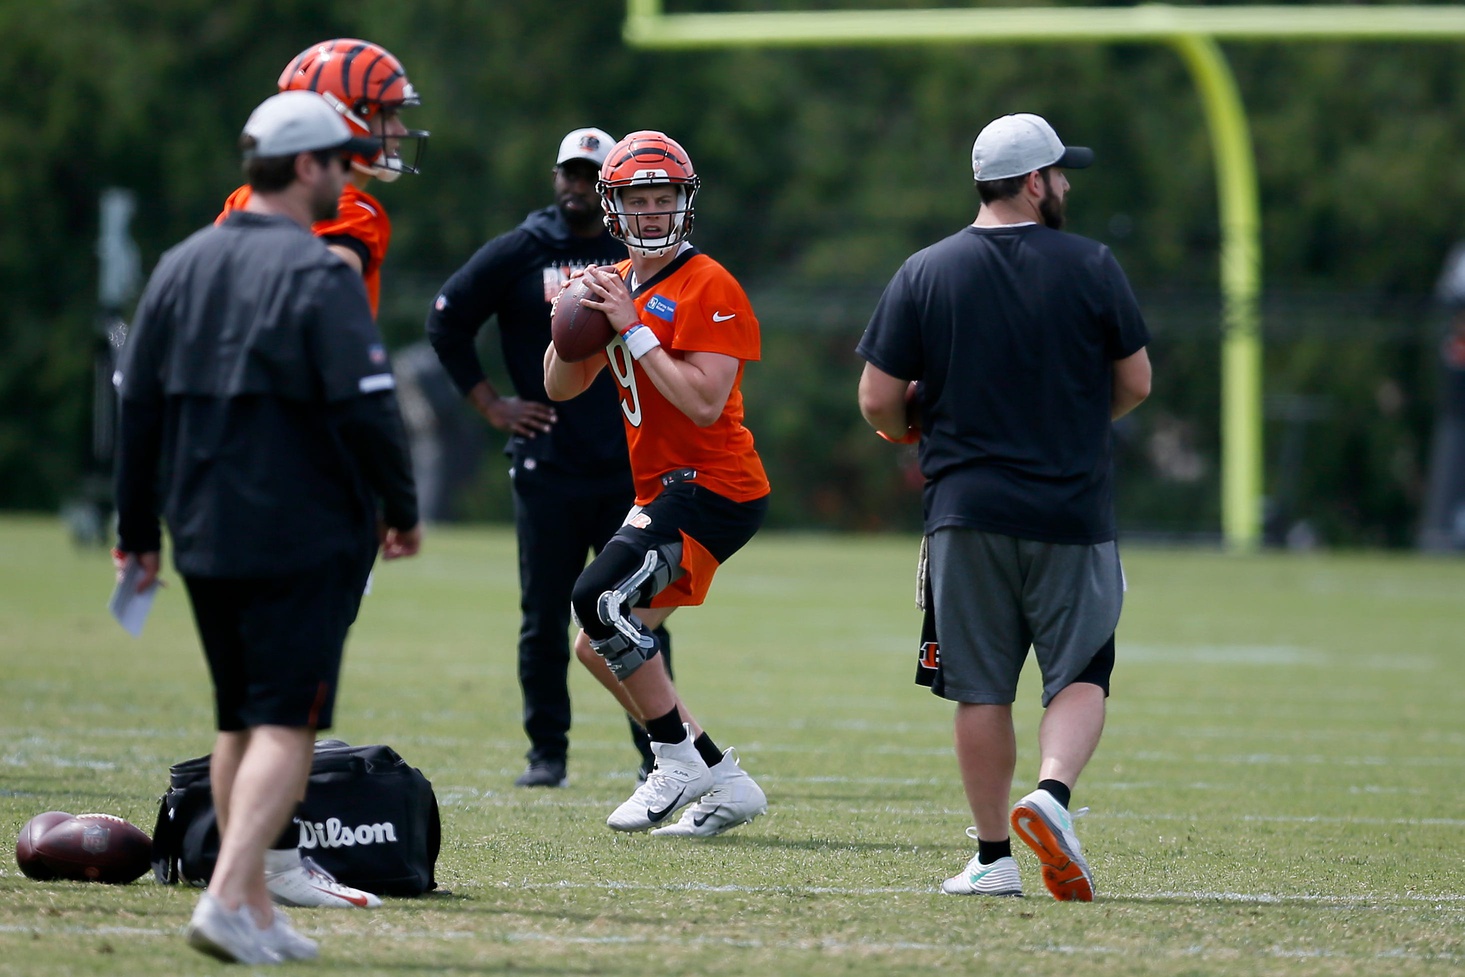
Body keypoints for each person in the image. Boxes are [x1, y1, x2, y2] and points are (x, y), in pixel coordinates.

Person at [112, 91, 421, 963]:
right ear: (305, 167)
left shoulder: (180, 261)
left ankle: (250, 904)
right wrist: (399, 505)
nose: (345, 174)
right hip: (296, 524)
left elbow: (136, 405)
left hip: (201, 524)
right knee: (289, 723)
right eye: (335, 159)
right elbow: (366, 405)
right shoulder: (318, 271)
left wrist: (137, 531)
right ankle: (224, 895)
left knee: (238, 721)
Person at [856, 113, 1151, 901]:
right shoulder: (1091, 264)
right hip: (1070, 510)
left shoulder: (924, 270)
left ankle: (992, 857)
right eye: (1059, 175)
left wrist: (908, 425)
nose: (1063, 187)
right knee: (1080, 669)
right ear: (1032, 183)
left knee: (979, 686)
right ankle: (1051, 795)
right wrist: (1079, 420)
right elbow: (1136, 383)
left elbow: (878, 401)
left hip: (963, 512)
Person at [216, 37, 427, 909]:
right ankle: (268, 868)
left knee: (248, 693)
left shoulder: (236, 206)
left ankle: (245, 868)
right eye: (377, 112)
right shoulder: (346, 216)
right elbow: (324, 317)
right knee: (294, 693)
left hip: (228, 464)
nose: (388, 130)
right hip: (311, 471)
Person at [426, 128, 673, 789]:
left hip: (629, 464)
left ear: (611, 184)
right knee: (541, 616)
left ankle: (661, 754)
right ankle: (547, 754)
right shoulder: (521, 249)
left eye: (588, 173)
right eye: (567, 170)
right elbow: (445, 319)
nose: (574, 183)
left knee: (636, 612)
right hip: (546, 461)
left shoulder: (636, 254)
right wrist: (490, 404)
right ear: (555, 176)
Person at [542, 130, 770, 837]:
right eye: (636, 200)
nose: (649, 212)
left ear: (683, 202)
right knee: (595, 639)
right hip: (661, 487)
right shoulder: (617, 281)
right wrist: (569, 323)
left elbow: (703, 401)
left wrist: (632, 327)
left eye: (662, 198)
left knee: (594, 598)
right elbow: (560, 386)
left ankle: (671, 759)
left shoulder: (709, 284)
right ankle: (723, 779)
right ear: (613, 207)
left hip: (716, 483)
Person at [218, 38, 429, 319]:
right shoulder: (351, 211)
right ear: (341, 115)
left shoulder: (245, 199)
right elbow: (325, 301)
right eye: (387, 115)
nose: (400, 130)